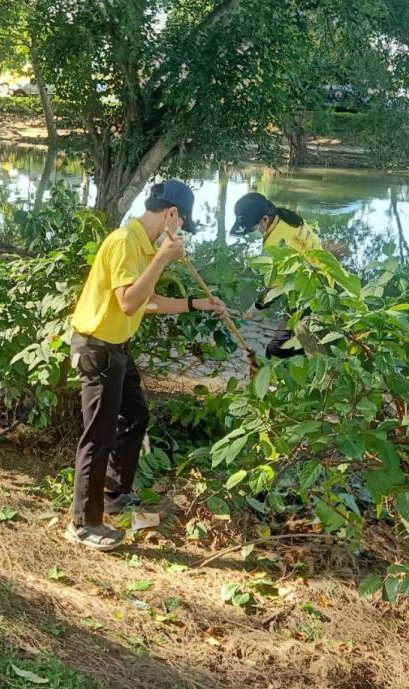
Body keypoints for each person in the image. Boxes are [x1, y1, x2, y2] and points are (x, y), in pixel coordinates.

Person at [65, 179, 228, 551]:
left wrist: (196, 304)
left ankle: (113, 494)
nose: (182, 229)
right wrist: (161, 259)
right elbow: (126, 302)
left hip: (118, 347)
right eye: (183, 221)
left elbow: (146, 301)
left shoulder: (143, 245)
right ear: (171, 214)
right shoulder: (126, 242)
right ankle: (83, 523)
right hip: (98, 348)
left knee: (135, 416)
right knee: (98, 436)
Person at [230, 192, 323, 359]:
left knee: (276, 350)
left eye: (254, 227)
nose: (254, 232)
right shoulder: (286, 218)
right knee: (296, 343)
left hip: (309, 296)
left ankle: (310, 358)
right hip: (322, 281)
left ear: (265, 219)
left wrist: (255, 309)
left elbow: (274, 287)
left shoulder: (274, 244)